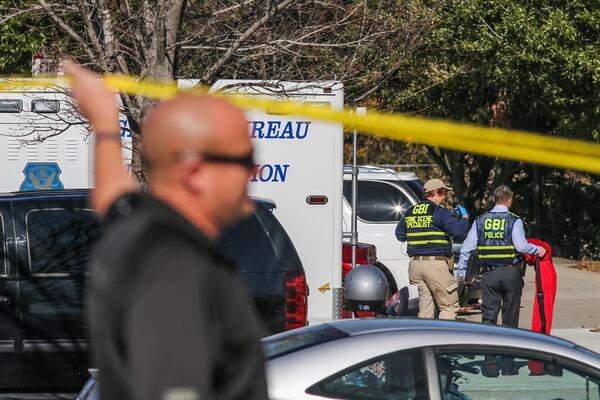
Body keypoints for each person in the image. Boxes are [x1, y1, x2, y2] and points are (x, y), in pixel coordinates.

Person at [65, 63, 268, 400]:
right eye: (245, 161)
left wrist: (103, 122)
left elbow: (111, 195)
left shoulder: (136, 229)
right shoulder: (173, 266)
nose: (256, 172)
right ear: (194, 172)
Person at [457, 185, 546, 329]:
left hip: (488, 274)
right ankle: (509, 348)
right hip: (511, 273)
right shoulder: (514, 220)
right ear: (510, 201)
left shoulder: (480, 221)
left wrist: (462, 273)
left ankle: (488, 349)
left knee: (488, 317)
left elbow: (467, 248)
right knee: (510, 316)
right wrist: (538, 250)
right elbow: (521, 246)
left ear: (493, 199)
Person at [395, 179, 469, 319]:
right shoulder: (439, 211)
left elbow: (400, 235)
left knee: (426, 309)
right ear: (434, 192)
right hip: (435, 265)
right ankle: (443, 339)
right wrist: (465, 217)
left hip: (416, 266)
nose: (444, 196)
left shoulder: (411, 212)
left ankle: (425, 338)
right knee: (449, 306)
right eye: (442, 193)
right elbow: (459, 231)